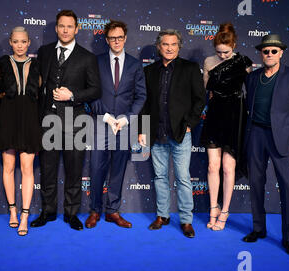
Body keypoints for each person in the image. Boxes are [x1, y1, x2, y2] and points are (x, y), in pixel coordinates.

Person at [242, 34, 289, 257]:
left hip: (283, 140)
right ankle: (258, 228)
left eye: (274, 51)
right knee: (255, 183)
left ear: (281, 53)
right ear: (260, 54)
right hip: (256, 136)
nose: (269, 54)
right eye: (265, 51)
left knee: (288, 188)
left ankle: (288, 237)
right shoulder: (252, 78)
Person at [31, 10, 101, 231]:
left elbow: (96, 89)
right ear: (56, 28)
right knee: (48, 169)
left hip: (76, 120)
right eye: (61, 26)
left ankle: (71, 214)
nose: (65, 30)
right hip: (49, 120)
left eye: (70, 26)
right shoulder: (44, 52)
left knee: (74, 171)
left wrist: (72, 95)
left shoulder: (87, 57)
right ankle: (48, 212)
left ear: (77, 29)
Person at [139, 29, 205, 238]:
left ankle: (186, 220)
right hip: (156, 133)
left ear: (179, 46)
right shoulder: (149, 71)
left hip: (180, 134)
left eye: (173, 44)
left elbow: (200, 100)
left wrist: (190, 124)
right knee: (160, 176)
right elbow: (145, 104)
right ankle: (162, 215)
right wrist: (142, 129)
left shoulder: (190, 68)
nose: (169, 48)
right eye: (165, 44)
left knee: (183, 178)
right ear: (159, 47)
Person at [85, 20, 146, 229]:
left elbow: (140, 96)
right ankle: (95, 210)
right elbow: (90, 93)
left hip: (124, 126)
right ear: (107, 39)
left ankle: (112, 211)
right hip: (101, 123)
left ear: (125, 38)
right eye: (112, 38)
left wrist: (127, 118)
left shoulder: (135, 64)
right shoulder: (96, 62)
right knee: (96, 168)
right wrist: (105, 116)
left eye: (120, 37)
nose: (116, 41)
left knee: (118, 169)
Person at [200, 23, 252, 231]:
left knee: (228, 167)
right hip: (214, 114)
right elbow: (207, 88)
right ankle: (213, 207)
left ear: (234, 46)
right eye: (218, 52)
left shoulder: (243, 62)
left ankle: (225, 211)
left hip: (235, 115)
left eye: (226, 52)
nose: (222, 56)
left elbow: (250, 90)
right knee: (213, 166)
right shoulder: (209, 61)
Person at [0, 27, 42, 236]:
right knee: (8, 166)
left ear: (29, 43)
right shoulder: (3, 63)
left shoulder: (37, 65)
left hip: (30, 121)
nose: (20, 45)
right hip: (8, 119)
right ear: (11, 43)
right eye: (16, 42)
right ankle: (12, 212)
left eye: (23, 42)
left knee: (27, 168)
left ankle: (25, 214)